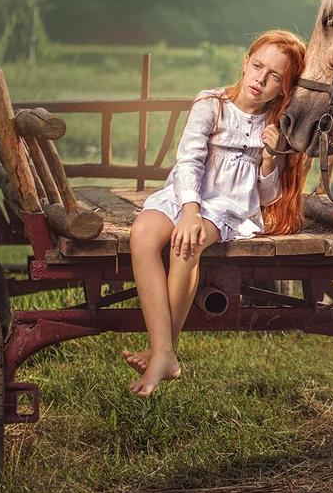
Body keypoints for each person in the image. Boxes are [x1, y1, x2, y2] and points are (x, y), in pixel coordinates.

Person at [123, 30, 307, 397]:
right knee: (142, 234)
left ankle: (162, 353)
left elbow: (267, 197)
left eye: (274, 77)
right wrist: (189, 210)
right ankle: (165, 351)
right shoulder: (211, 103)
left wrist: (272, 157)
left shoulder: (276, 124)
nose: (260, 79)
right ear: (245, 60)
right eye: (257, 66)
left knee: (184, 247)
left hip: (228, 207)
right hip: (187, 194)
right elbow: (188, 160)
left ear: (284, 88)